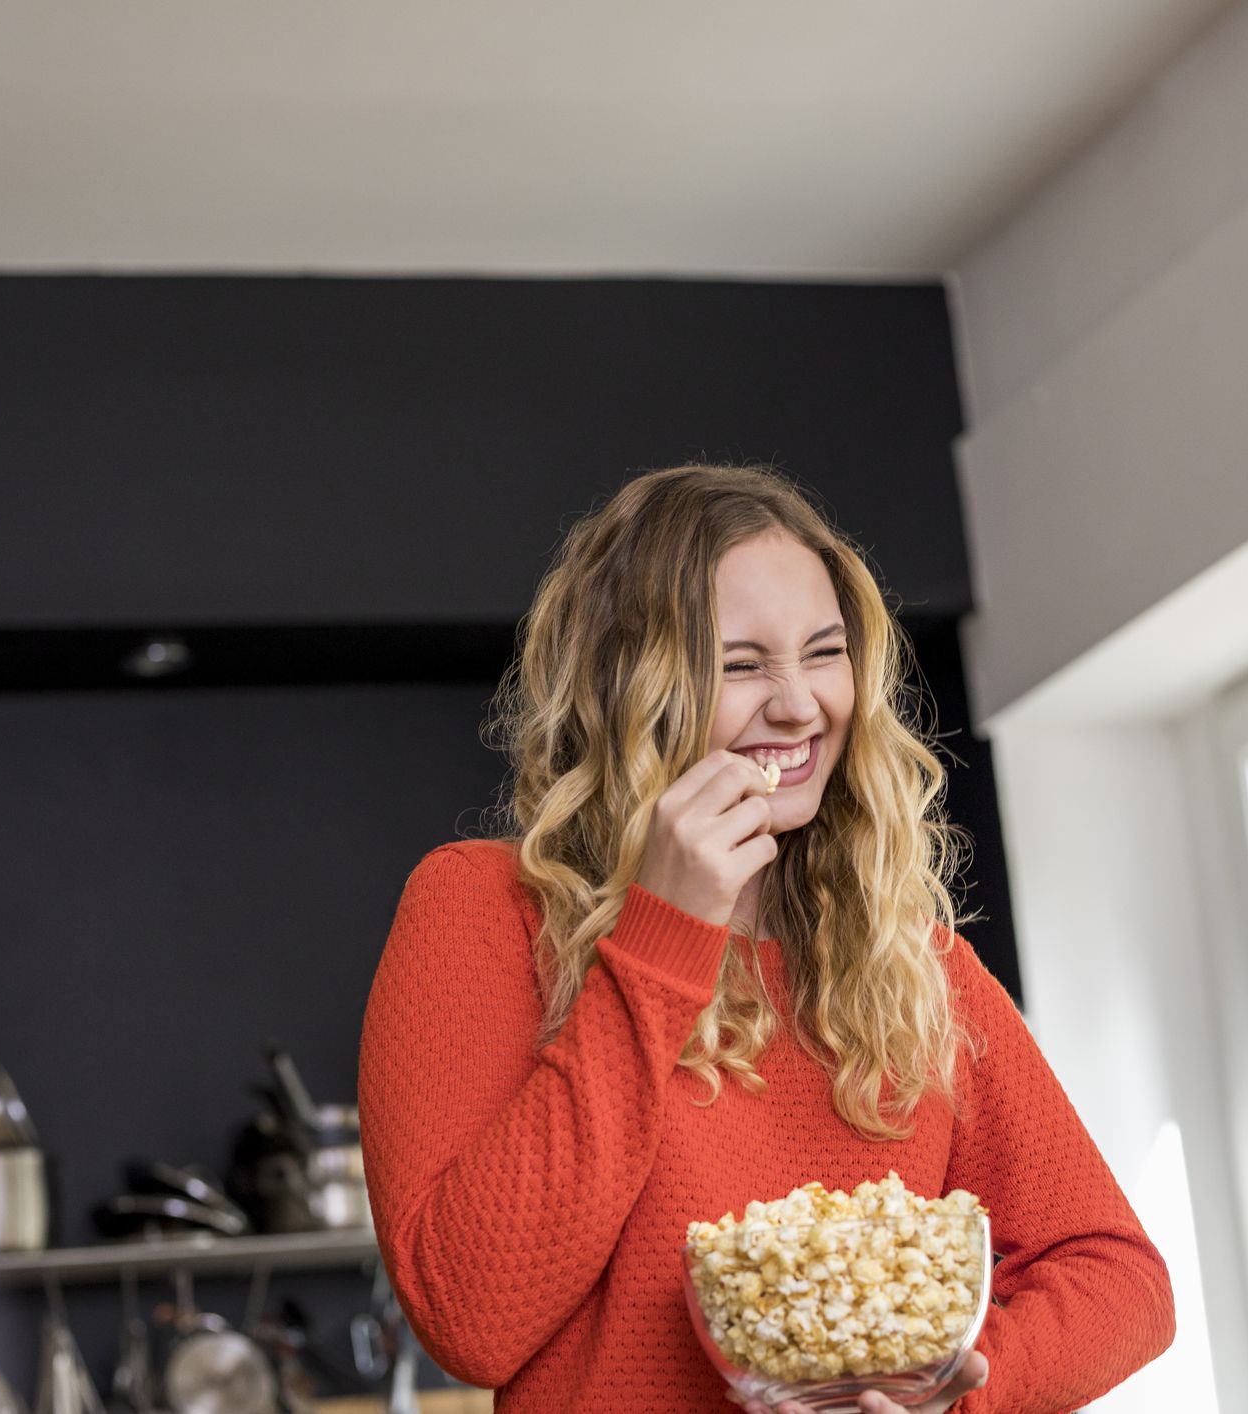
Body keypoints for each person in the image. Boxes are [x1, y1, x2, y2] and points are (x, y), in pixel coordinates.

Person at [357, 464, 1175, 1412]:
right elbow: (470, 1320)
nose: (797, 705)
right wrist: (663, 934)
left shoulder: (905, 958)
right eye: (740, 664)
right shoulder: (484, 908)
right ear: (628, 685)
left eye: (822, 653)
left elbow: (1119, 1276)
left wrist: (947, 1396)